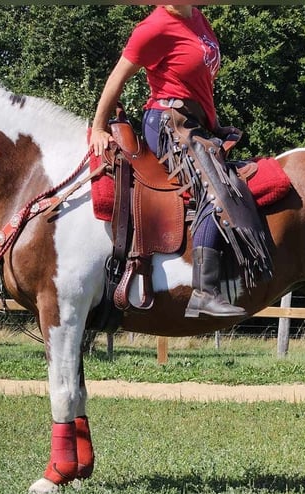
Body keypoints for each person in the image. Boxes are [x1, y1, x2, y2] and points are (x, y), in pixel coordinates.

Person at [90, 4, 248, 318]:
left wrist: (213, 125)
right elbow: (117, 78)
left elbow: (199, 83)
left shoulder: (198, 18)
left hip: (194, 122)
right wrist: (98, 127)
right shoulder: (155, 26)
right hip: (166, 121)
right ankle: (204, 291)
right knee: (216, 190)